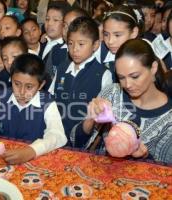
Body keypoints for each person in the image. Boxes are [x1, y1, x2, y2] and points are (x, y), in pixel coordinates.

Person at [73, 39, 172, 164]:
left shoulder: (169, 119)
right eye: (121, 77)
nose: (128, 84)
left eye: (135, 76)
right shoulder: (112, 93)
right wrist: (90, 119)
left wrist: (144, 156)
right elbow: (76, 143)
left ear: (153, 68)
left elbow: (165, 174)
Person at [0, 53, 67, 164]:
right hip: (4, 158)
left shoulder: (47, 104)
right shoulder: (1, 98)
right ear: (11, 79)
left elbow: (57, 135)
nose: (22, 92)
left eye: (29, 87)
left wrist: (31, 151)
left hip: (34, 160)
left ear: (40, 85)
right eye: (17, 84)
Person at [52, 16, 112, 147]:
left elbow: (103, 118)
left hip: (84, 142)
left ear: (95, 45)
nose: (74, 49)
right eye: (70, 43)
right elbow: (50, 100)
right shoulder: (62, 69)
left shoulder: (103, 74)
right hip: (55, 136)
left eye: (81, 44)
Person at [100, 5, 141, 82]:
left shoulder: (143, 59)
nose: (110, 41)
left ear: (134, 32)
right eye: (106, 34)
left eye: (117, 35)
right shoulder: (99, 53)